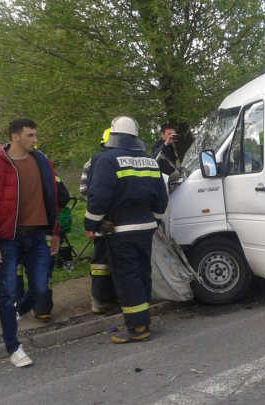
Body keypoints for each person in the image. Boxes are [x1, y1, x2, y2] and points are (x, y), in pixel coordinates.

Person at [0, 118, 60, 367]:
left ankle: (14, 314)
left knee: (39, 290)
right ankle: (14, 347)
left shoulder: (42, 162)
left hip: (37, 237)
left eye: (35, 135)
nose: (35, 139)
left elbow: (52, 198)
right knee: (8, 293)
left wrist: (54, 231)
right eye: (31, 135)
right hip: (8, 239)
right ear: (15, 137)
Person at [84, 116, 168, 343]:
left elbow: (98, 197)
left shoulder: (107, 160)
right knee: (141, 274)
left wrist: (90, 225)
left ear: (114, 134)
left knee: (127, 276)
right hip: (146, 228)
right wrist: (155, 222)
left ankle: (138, 327)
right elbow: (162, 198)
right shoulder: (150, 160)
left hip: (121, 229)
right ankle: (143, 319)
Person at [14, 175, 70, 323]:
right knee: (42, 270)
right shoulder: (49, 174)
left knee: (15, 269)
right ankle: (42, 309)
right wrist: (54, 212)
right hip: (44, 229)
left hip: (13, 231)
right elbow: (64, 196)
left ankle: (15, 308)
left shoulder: (7, 171)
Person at [80, 128, 118, 313]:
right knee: (112, 258)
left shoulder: (92, 160)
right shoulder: (118, 159)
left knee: (101, 258)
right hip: (116, 218)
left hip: (99, 217)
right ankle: (109, 296)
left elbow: (83, 190)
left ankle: (100, 298)